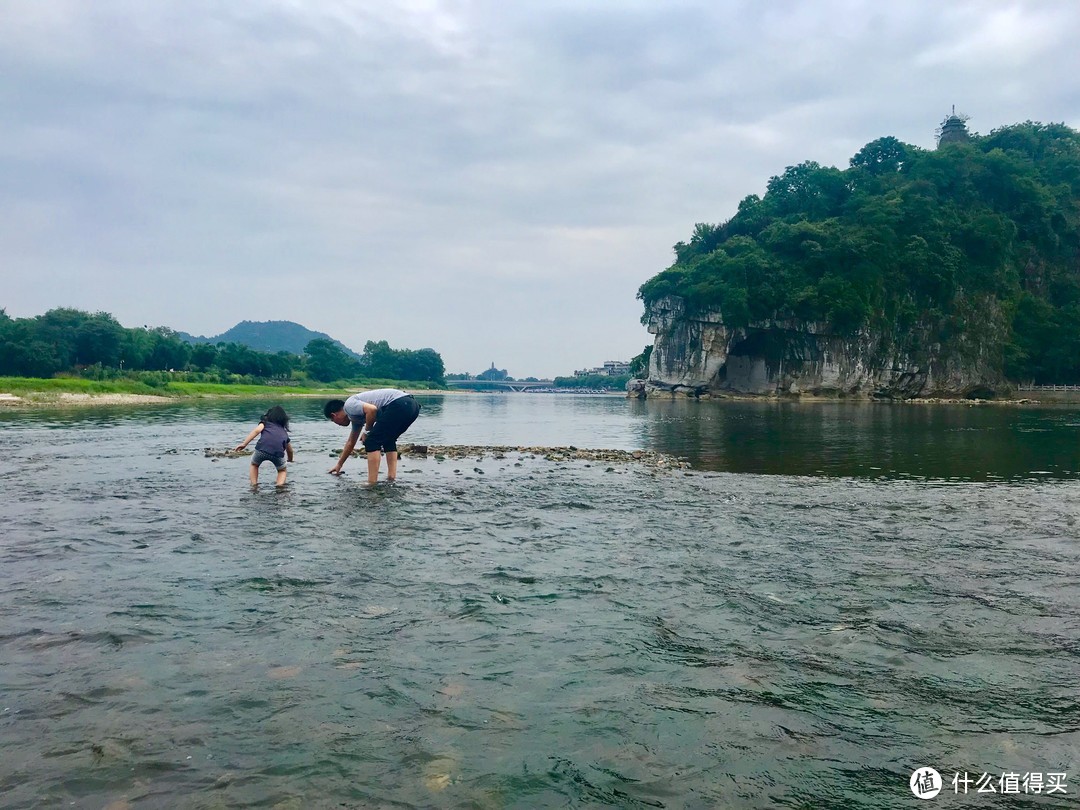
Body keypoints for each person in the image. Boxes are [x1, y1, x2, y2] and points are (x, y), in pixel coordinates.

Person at [324, 389, 420, 484]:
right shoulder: (356, 418)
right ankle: (391, 478)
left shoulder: (349, 406)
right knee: (388, 439)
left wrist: (367, 432)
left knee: (371, 441)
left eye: (333, 421)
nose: (337, 424)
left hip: (400, 404)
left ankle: (371, 483)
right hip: (413, 407)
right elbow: (351, 442)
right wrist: (339, 465)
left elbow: (371, 409)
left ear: (334, 415)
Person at [235, 405, 294, 486]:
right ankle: (279, 486)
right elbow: (290, 450)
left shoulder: (265, 423)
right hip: (277, 454)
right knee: (282, 470)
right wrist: (290, 459)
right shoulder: (284, 432)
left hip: (261, 450)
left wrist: (244, 444)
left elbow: (257, 431)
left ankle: (254, 485)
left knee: (254, 464)